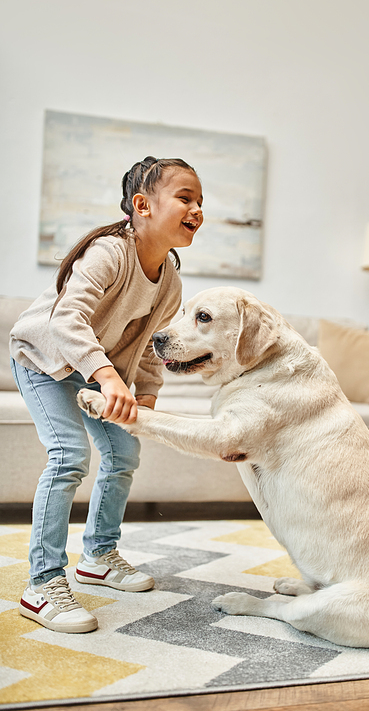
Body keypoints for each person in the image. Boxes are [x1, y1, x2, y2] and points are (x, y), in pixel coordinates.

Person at [10, 156, 203, 633]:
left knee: (122, 451)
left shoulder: (171, 282)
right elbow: (67, 319)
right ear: (142, 205)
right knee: (68, 455)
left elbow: (155, 348)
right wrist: (108, 376)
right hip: (45, 359)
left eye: (200, 201)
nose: (197, 209)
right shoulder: (109, 252)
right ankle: (42, 583)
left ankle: (97, 556)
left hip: (98, 372)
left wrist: (149, 396)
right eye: (185, 198)